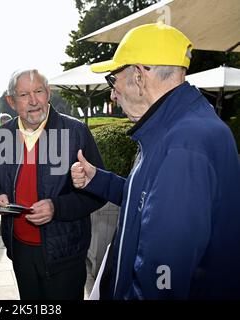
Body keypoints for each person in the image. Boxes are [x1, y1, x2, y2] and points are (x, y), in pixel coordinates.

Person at [71, 22, 240, 299]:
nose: (113, 93)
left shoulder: (184, 144)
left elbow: (162, 277)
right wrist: (98, 180)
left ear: (138, 75)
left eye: (114, 80)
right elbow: (147, 202)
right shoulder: (174, 127)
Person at [0, 69, 106, 300]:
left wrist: (56, 208)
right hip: (20, 249)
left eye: (39, 91)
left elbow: (98, 192)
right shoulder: (3, 135)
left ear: (48, 93)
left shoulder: (76, 132)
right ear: (11, 101)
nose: (33, 101)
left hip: (65, 253)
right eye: (24, 95)